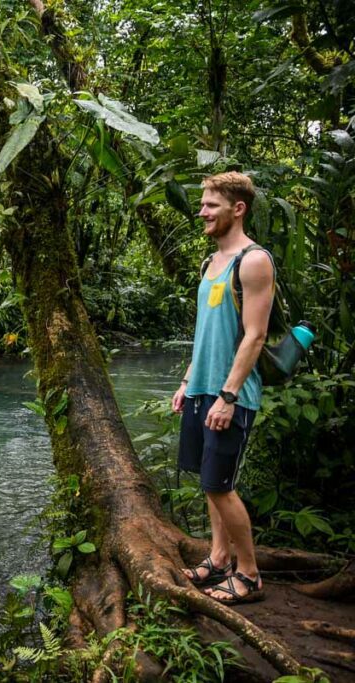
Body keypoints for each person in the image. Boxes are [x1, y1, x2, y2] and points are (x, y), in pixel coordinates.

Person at [171, 171, 274, 605]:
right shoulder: (210, 263)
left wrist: (228, 396)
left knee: (220, 484)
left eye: (211, 205)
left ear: (238, 208)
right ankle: (217, 558)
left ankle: (248, 575)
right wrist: (188, 380)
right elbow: (206, 332)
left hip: (230, 395)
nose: (202, 212)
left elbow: (254, 335)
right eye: (202, 204)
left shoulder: (253, 261)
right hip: (202, 390)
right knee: (208, 482)